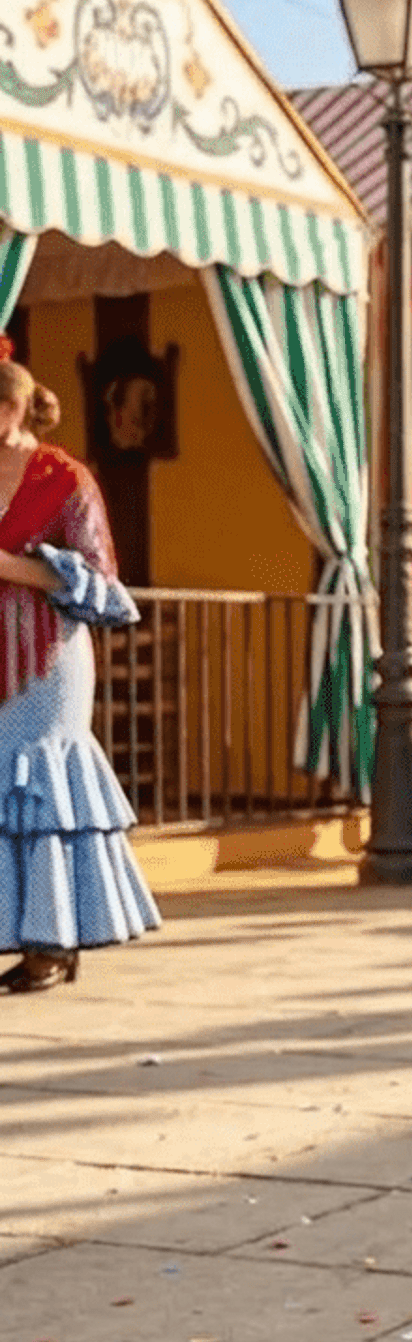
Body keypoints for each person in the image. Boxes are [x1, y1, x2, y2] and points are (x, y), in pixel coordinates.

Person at [0, 350, 158, 992]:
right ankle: (22, 931)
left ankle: (54, 943)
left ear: (10, 410)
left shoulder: (64, 478)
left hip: (47, 658)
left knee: (41, 789)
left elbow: (102, 583)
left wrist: (9, 566)